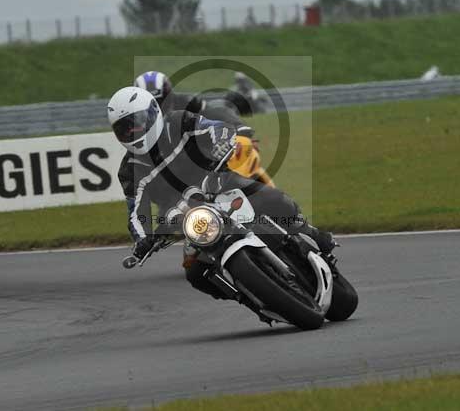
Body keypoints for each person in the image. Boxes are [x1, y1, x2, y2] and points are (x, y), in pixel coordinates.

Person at [107, 86, 335, 298]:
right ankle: (246, 296)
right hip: (185, 214)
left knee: (274, 200)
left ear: (153, 113)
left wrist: (222, 144)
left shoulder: (179, 121)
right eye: (124, 128)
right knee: (196, 273)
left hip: (218, 180)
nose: (132, 131)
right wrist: (143, 240)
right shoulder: (130, 171)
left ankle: (312, 234)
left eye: (136, 123)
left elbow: (217, 128)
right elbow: (136, 212)